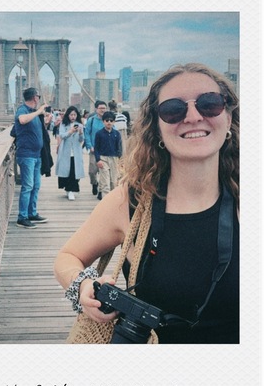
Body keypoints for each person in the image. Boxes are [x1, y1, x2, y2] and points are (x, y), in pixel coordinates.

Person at [54, 63, 239, 344]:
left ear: (228, 117)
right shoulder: (132, 201)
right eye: (173, 109)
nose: (192, 116)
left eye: (209, 103)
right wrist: (83, 285)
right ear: (157, 128)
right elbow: (67, 257)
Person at [14, 87, 49, 229]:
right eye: (38, 97)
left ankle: (31, 213)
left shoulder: (33, 114)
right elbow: (21, 121)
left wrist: (46, 121)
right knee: (27, 186)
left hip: (36, 155)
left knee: (35, 186)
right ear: (35, 98)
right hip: (26, 155)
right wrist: (39, 112)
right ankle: (22, 217)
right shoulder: (22, 110)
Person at [55, 106, 85, 201]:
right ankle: (68, 189)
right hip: (65, 151)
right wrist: (70, 132)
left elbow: (81, 140)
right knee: (67, 171)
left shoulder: (79, 124)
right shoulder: (63, 124)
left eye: (75, 114)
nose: (73, 116)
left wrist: (80, 133)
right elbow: (61, 136)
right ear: (68, 115)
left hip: (76, 151)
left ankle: (72, 189)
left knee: (74, 170)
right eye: (71, 114)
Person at [94, 111, 122, 200]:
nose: (109, 122)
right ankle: (106, 200)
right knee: (105, 180)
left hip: (113, 158)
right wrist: (98, 159)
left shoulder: (116, 134)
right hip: (103, 158)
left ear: (114, 122)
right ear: (103, 122)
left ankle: (111, 199)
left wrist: (121, 160)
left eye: (111, 120)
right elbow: (96, 148)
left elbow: (119, 147)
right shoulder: (99, 134)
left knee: (113, 181)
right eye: (107, 120)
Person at [84, 100, 108, 198]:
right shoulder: (92, 120)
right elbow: (87, 133)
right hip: (94, 150)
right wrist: (90, 146)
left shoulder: (108, 120)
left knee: (103, 172)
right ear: (96, 109)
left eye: (104, 108)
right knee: (92, 171)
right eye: (101, 108)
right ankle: (94, 184)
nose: (103, 110)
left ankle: (101, 191)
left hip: (105, 150)